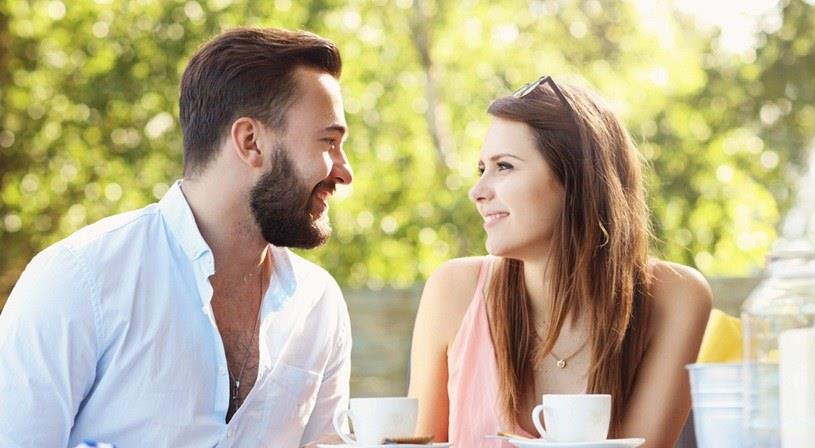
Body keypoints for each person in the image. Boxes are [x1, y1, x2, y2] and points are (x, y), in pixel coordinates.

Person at [0, 27, 353, 447]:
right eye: (328, 143)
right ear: (251, 142)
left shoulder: (318, 304)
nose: (344, 171)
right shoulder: (79, 281)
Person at [408, 76, 712, 447]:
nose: (478, 191)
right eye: (482, 169)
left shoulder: (676, 297)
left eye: (504, 166)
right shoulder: (453, 291)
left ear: (577, 178)